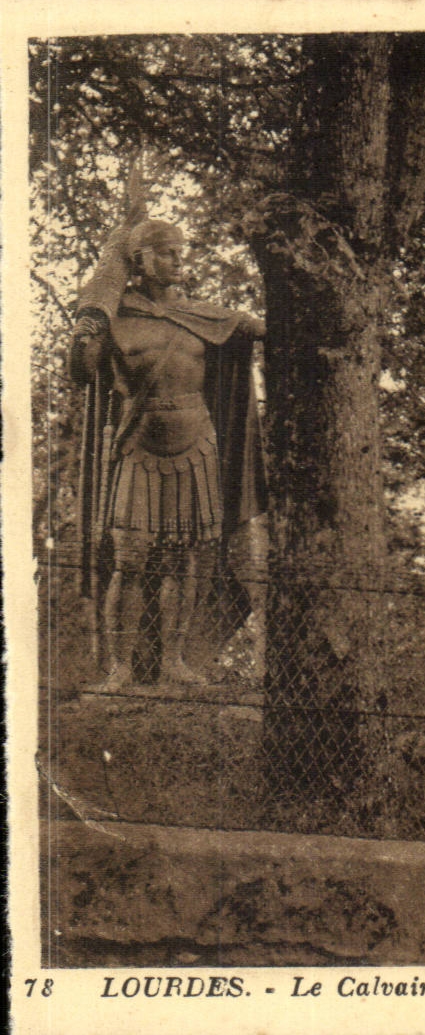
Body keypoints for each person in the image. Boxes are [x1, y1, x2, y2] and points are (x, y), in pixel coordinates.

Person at [70, 218, 266, 689]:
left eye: (181, 252)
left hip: (197, 445)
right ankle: (119, 667)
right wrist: (85, 332)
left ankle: (174, 661)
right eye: (165, 252)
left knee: (185, 560)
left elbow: (265, 331)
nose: (177, 260)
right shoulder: (114, 319)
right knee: (130, 559)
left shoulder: (206, 318)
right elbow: (80, 372)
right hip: (138, 448)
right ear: (138, 261)